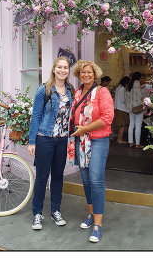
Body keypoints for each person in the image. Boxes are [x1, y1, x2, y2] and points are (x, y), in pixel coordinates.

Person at [67, 60, 114, 243]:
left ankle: (98, 224)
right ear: (79, 74)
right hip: (81, 141)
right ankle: (91, 214)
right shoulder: (78, 93)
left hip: (98, 141)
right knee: (86, 180)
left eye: (89, 72)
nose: (86, 75)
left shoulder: (102, 92)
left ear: (95, 74)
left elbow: (107, 118)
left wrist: (84, 129)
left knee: (95, 180)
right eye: (82, 72)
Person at [28, 57, 73, 231]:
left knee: (58, 177)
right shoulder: (44, 90)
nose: (63, 70)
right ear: (54, 69)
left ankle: (55, 210)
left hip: (62, 140)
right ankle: (37, 214)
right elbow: (36, 117)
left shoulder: (70, 89)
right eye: (59, 67)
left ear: (68, 71)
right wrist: (32, 142)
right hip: (44, 138)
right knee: (41, 177)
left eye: (66, 67)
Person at [124, 72, 144, 149]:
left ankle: (130, 142)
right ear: (139, 77)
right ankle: (137, 143)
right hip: (137, 107)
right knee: (138, 125)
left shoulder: (129, 84)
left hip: (130, 107)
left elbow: (126, 97)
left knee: (131, 125)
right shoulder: (137, 83)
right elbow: (139, 96)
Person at [113, 76, 130, 144]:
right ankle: (120, 139)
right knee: (122, 125)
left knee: (120, 125)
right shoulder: (122, 89)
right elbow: (123, 100)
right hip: (122, 109)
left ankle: (118, 139)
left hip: (117, 108)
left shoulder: (119, 87)